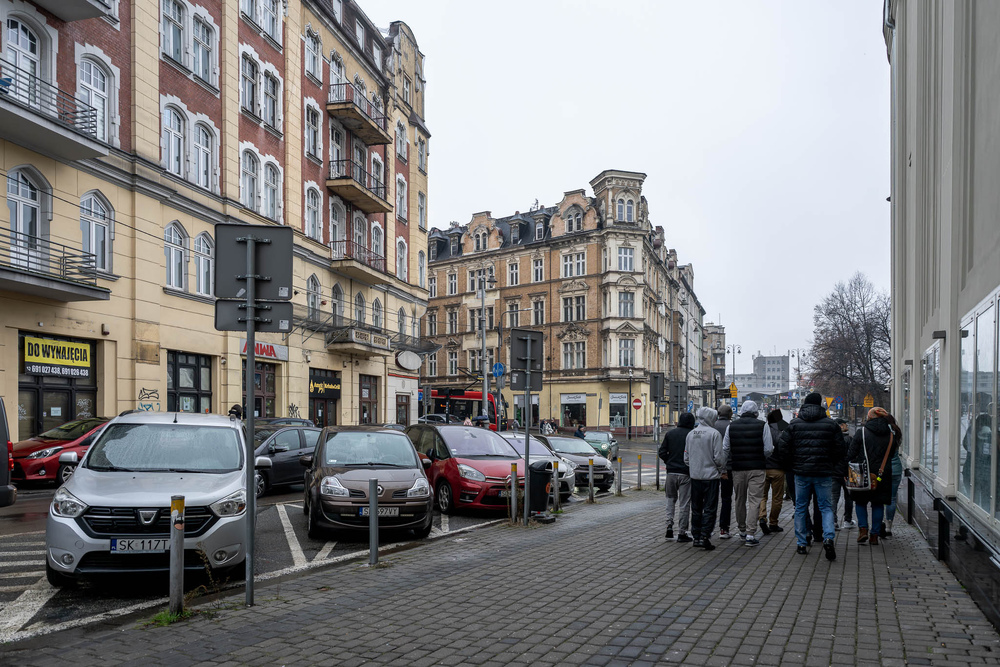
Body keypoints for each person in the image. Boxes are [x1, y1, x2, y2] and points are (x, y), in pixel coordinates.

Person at [776, 392, 843, 561]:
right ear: (821, 404)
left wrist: (792, 464)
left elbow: (782, 447)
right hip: (824, 473)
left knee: (800, 507)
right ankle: (828, 538)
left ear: (805, 404)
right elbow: (840, 449)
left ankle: (801, 542)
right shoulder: (831, 424)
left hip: (801, 473)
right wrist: (830, 463)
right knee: (826, 507)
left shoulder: (794, 424)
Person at [722, 400, 772, 546]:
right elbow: (768, 449)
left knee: (739, 499)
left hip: (737, 469)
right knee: (755, 500)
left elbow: (725, 449)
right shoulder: (763, 425)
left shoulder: (731, 426)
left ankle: (742, 530)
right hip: (757, 468)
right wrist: (760, 456)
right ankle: (751, 534)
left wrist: (724, 468)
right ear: (756, 412)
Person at [848, 407, 898, 546]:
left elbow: (851, 454)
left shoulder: (862, 432)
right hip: (882, 475)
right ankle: (874, 535)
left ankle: (863, 529)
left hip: (863, 473)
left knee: (860, 502)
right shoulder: (891, 434)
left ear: (869, 417)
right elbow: (892, 454)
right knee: (878, 504)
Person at [685, 407, 727, 551]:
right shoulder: (714, 434)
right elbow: (719, 458)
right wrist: (720, 469)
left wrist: (695, 466)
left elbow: (686, 458)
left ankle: (696, 536)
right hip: (711, 477)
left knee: (696, 507)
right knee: (710, 507)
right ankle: (705, 536)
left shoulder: (691, 434)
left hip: (695, 476)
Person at [659, 412, 696, 542]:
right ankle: (682, 532)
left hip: (671, 473)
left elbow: (662, 452)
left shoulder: (670, 434)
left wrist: (669, 462)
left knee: (670, 500)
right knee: (684, 503)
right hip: (686, 474)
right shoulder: (692, 435)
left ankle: (669, 526)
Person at [759, 410, 787, 533]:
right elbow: (784, 451)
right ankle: (773, 523)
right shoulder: (781, 433)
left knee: (762, 496)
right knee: (777, 498)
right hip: (778, 469)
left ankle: (762, 517)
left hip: (763, 468)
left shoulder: (762, 431)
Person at [713, 403, 735, 539]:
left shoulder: (712, 426)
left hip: (712, 468)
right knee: (726, 498)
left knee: (711, 499)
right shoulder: (732, 426)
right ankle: (724, 529)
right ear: (730, 414)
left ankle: (708, 528)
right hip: (730, 467)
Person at [882, 412, 904, 537]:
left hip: (882, 469)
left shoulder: (881, 433)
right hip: (896, 468)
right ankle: (889, 525)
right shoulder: (896, 432)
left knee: (879, 497)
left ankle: (879, 524)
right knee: (891, 498)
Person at [833, 419, 855, 529]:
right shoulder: (849, 439)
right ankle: (848, 520)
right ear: (841, 426)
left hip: (834, 472)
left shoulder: (831, 440)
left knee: (834, 497)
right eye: (845, 424)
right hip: (847, 473)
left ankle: (833, 521)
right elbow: (852, 456)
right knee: (849, 497)